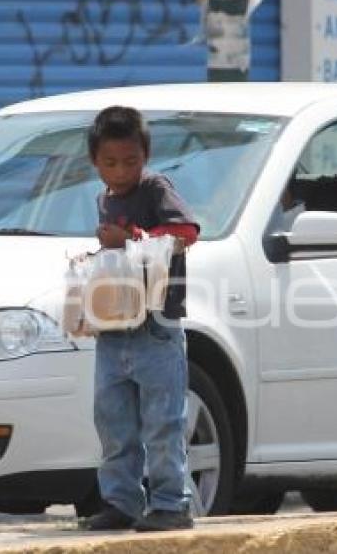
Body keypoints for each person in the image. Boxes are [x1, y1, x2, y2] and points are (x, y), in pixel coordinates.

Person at [81, 106, 200, 532]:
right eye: (110, 163)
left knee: (163, 423)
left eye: (130, 161)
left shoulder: (155, 190)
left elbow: (186, 234)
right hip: (114, 328)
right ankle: (121, 502)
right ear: (94, 162)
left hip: (156, 327)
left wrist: (131, 238)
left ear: (145, 155)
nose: (120, 171)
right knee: (114, 423)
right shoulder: (104, 199)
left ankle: (171, 504)